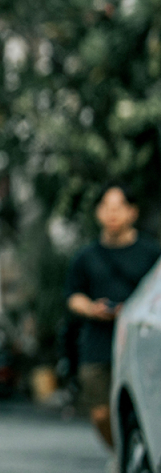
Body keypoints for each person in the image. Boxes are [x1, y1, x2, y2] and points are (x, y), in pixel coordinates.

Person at [65, 184, 160, 447]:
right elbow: (73, 295)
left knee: (143, 408)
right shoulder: (86, 256)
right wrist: (92, 309)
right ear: (98, 212)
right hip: (98, 342)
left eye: (118, 208)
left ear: (132, 212)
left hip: (139, 340)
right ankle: (120, 454)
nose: (112, 214)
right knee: (100, 413)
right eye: (106, 207)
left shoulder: (151, 253)